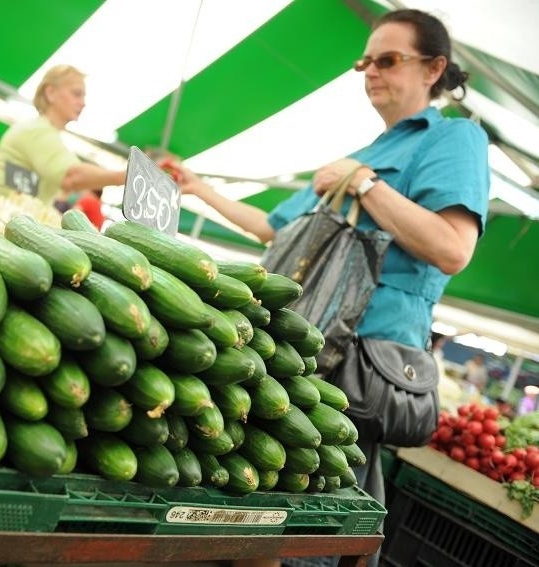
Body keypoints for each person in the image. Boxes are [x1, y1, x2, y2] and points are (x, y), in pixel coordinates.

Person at [176, 9, 489, 567]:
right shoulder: (366, 153)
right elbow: (274, 229)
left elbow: (452, 247)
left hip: (358, 373)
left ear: (433, 68)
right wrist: (201, 190)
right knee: (264, 529)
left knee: (309, 533)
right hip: (302, 358)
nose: (371, 71)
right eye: (365, 61)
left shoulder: (453, 138)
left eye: (388, 60)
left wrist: (364, 184)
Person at [0, 64, 126, 207]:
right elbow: (71, 177)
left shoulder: (43, 132)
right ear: (50, 93)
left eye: (83, 96)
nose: (83, 103)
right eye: (76, 94)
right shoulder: (36, 131)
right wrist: (124, 177)